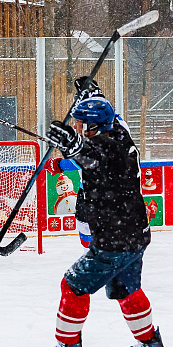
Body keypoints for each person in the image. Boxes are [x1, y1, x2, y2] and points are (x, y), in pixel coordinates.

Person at [37, 97, 167, 347]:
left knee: (72, 286)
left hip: (114, 241)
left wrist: (73, 145)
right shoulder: (119, 132)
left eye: (80, 122)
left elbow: (94, 156)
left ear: (92, 127)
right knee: (126, 289)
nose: (77, 125)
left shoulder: (106, 149)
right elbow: (91, 152)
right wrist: (73, 144)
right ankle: (150, 343)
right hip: (134, 234)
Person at [44, 76, 130, 249]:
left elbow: (92, 160)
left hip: (108, 192)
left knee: (102, 242)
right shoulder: (110, 122)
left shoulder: (106, 128)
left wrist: (60, 164)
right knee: (88, 239)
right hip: (94, 190)